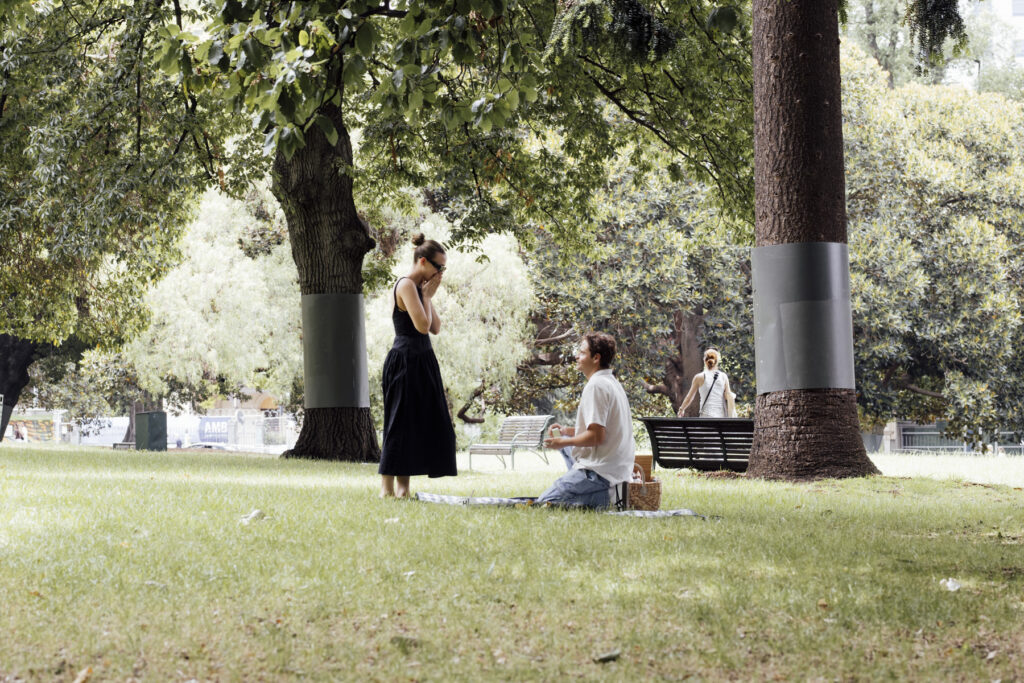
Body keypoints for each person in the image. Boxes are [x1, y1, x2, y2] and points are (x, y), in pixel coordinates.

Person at [379, 233, 457, 498]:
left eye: (443, 268)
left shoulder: (421, 290)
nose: (440, 273)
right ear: (422, 261)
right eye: (438, 267)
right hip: (404, 360)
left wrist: (429, 296)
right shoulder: (405, 286)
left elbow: (435, 328)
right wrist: (426, 295)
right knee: (399, 422)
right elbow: (421, 326)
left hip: (423, 359)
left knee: (418, 423)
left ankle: (404, 489)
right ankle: (388, 489)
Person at [539, 332, 635, 508]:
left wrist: (560, 442)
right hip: (616, 469)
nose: (577, 356)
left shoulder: (596, 386)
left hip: (601, 473)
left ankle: (603, 499)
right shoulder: (611, 382)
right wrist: (566, 433)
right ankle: (597, 495)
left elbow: (596, 437)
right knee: (568, 442)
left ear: (596, 358)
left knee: (545, 502)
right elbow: (603, 432)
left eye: (582, 353)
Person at [676, 347, 736, 418]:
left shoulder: (699, 377)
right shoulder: (723, 377)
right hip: (720, 417)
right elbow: (727, 396)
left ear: (704, 360)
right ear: (717, 361)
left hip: (705, 416)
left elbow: (689, 397)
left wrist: (681, 409)